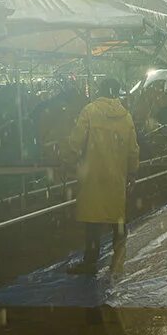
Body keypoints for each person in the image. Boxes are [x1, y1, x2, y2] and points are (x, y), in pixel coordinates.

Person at [64, 77, 140, 276]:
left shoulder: (89, 111)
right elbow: (133, 149)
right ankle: (119, 260)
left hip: (94, 177)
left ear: (100, 90)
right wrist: (132, 171)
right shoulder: (126, 116)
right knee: (118, 219)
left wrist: (67, 159)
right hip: (117, 177)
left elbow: (75, 142)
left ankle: (90, 262)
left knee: (93, 221)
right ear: (116, 92)